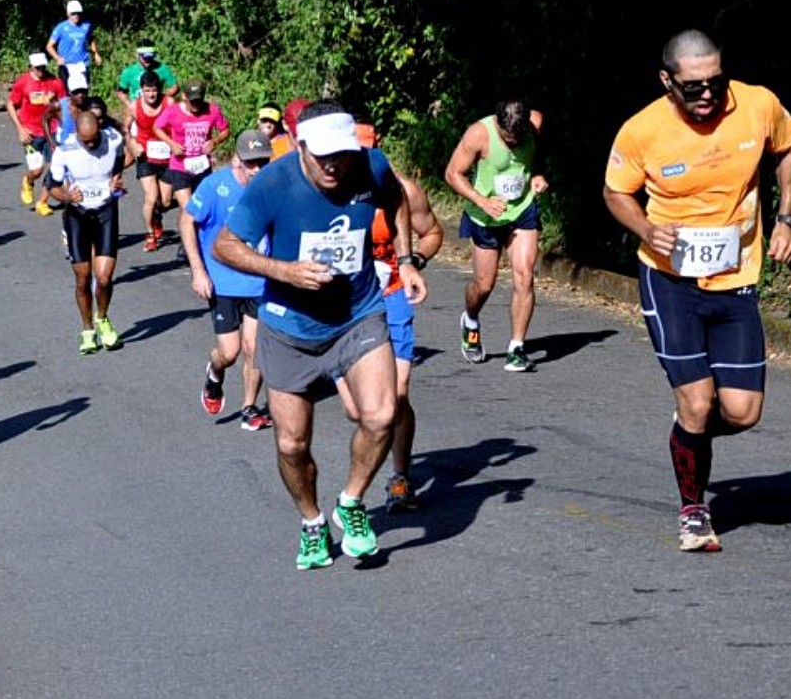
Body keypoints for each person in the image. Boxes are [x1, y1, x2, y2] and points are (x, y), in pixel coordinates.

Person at [603, 30, 791, 553]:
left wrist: (785, 218)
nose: (709, 95)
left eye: (715, 81)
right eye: (694, 87)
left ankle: (687, 432)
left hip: (736, 279)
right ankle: (694, 510)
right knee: (698, 402)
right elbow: (615, 192)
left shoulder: (757, 105)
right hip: (669, 280)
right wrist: (647, 231)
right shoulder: (641, 130)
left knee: (741, 412)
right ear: (667, 81)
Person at [213, 102, 428, 570]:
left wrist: (406, 261)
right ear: (301, 146)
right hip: (289, 326)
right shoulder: (274, 183)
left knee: (381, 413)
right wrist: (283, 270)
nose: (334, 165)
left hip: (358, 312)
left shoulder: (369, 165)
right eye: (323, 155)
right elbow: (225, 245)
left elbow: (397, 199)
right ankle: (312, 523)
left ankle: (350, 503)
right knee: (292, 443)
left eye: (342, 155)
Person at [360, 124, 446, 511]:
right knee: (363, 406)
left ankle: (399, 477)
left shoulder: (405, 191)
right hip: (353, 301)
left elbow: (433, 233)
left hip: (393, 294)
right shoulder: (332, 193)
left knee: (397, 393)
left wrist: (413, 263)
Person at [445, 98, 549, 372]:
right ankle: (470, 319)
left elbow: (536, 152)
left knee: (525, 275)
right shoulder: (479, 133)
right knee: (484, 285)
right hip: (486, 217)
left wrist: (537, 173)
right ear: (498, 125)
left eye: (518, 137)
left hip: (522, 209)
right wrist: (482, 201)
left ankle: (516, 348)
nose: (514, 142)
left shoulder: (535, 122)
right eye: (507, 138)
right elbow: (453, 174)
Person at [182, 129, 273, 430]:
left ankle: (249, 407)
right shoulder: (215, 186)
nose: (257, 170)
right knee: (230, 352)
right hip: (222, 282)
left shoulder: (273, 189)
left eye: (263, 162)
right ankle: (214, 372)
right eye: (251, 163)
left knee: (254, 347)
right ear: (236, 160)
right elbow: (187, 220)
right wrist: (198, 270)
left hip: (259, 282)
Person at [46, 108, 128, 354]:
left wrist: (116, 179)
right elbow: (52, 187)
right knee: (82, 278)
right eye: (86, 141)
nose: (92, 145)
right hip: (77, 215)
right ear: (78, 135)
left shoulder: (113, 140)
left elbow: (122, 158)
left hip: (105, 212)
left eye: (94, 140)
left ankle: (102, 318)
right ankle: (87, 329)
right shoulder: (65, 150)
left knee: (103, 277)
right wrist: (67, 197)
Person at [151, 79, 230, 216]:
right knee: (189, 211)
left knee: (201, 209)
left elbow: (225, 130)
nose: (196, 105)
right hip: (180, 166)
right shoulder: (173, 111)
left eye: (199, 100)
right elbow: (157, 127)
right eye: (192, 101)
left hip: (202, 166)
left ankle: (193, 236)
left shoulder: (213, 111)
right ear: (184, 97)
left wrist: (215, 141)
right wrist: (172, 144)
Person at [6, 52, 68, 216]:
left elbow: (65, 105)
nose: (41, 70)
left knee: (55, 168)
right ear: (31, 67)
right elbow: (11, 104)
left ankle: (42, 201)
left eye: (43, 67)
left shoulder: (55, 82)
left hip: (52, 130)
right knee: (37, 170)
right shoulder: (23, 82)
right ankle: (28, 180)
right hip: (31, 131)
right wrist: (20, 129)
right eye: (37, 68)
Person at [126, 70, 177, 251]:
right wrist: (132, 145)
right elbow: (125, 129)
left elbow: (179, 125)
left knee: (166, 201)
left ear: (160, 90)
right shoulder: (134, 106)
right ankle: (150, 234)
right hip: (146, 157)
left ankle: (156, 216)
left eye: (154, 90)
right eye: (147, 90)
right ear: (141, 90)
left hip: (166, 157)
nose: (151, 95)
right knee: (151, 197)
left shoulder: (169, 103)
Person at [47, 0, 101, 84]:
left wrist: (96, 53)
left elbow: (91, 38)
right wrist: (57, 58)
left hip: (82, 64)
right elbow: (49, 46)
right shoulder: (61, 27)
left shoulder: (86, 25)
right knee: (66, 93)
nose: (76, 15)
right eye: (73, 13)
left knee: (82, 92)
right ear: (68, 13)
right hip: (66, 65)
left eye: (78, 13)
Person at [115, 46, 180, 113]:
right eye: (145, 58)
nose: (148, 60)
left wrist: (162, 98)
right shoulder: (129, 71)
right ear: (137, 55)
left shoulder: (162, 68)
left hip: (157, 108)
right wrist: (129, 105)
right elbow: (121, 92)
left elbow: (175, 87)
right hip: (137, 109)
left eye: (150, 57)